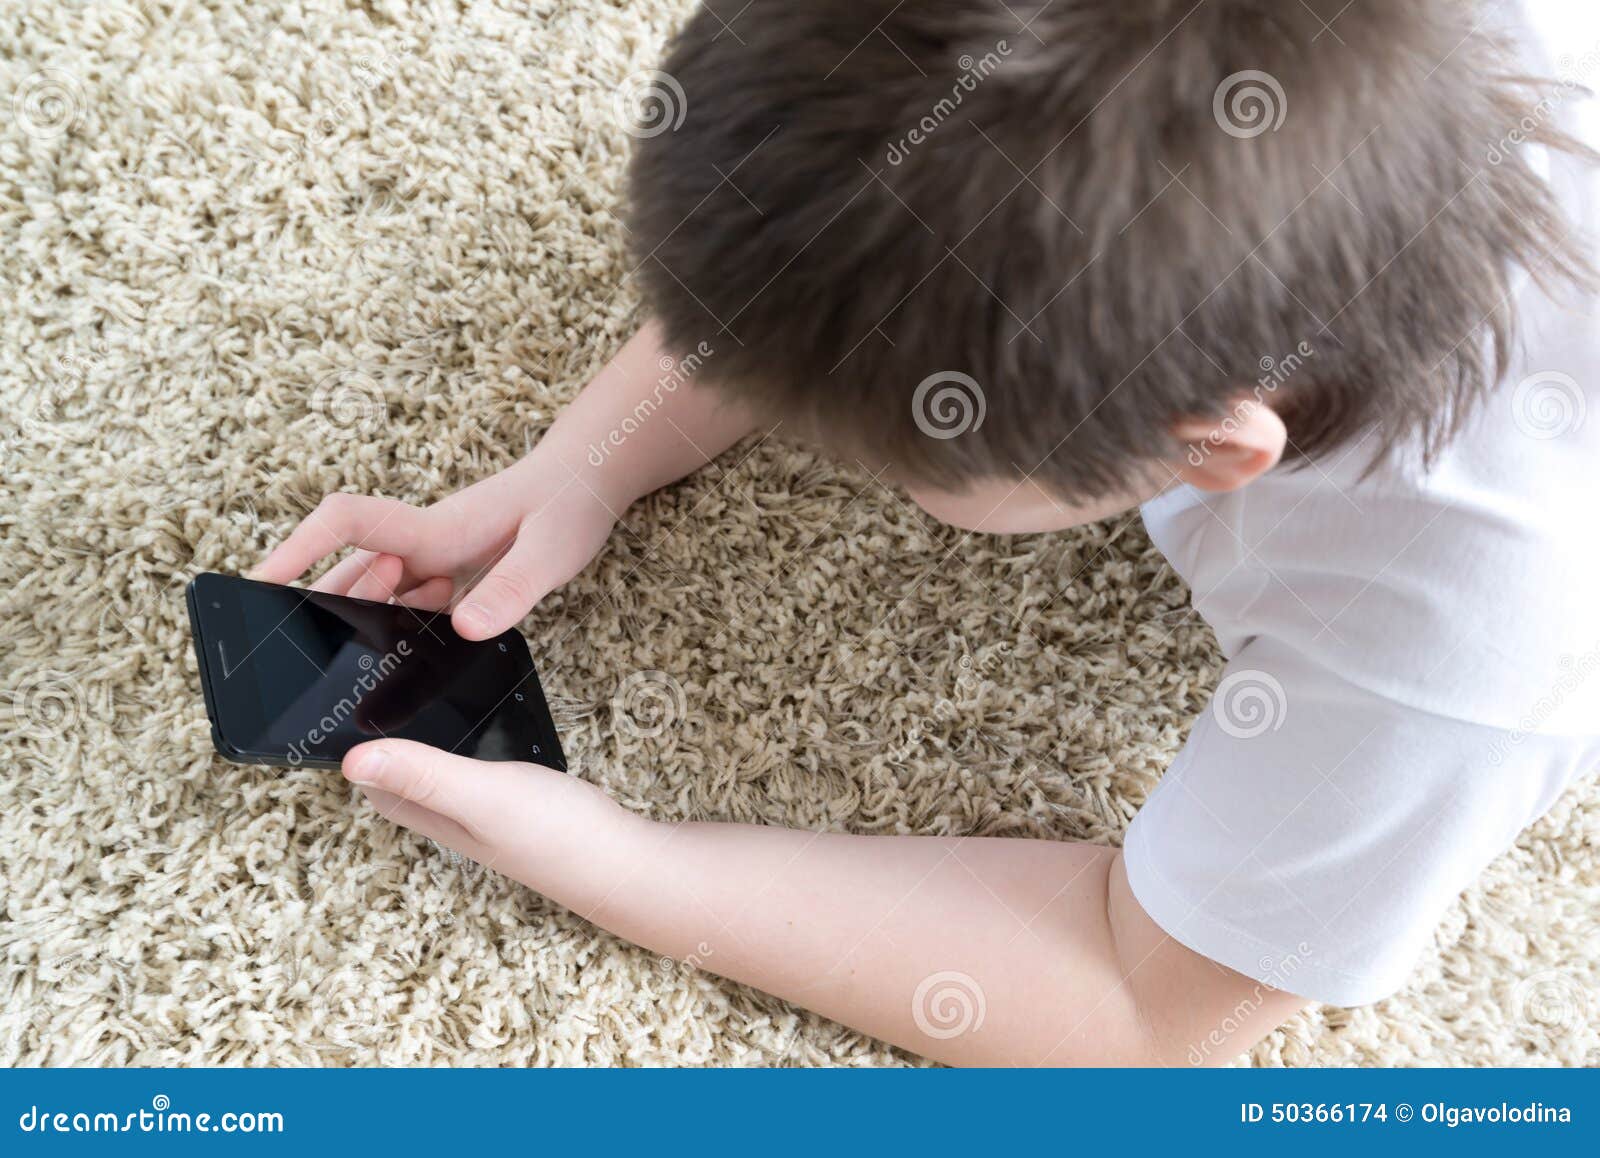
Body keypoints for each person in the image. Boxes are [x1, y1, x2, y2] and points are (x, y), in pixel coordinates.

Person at [249, 0, 1599, 1064]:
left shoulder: (1462, 640)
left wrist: (625, 864)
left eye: (881, 450)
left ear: (1206, 448)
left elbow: (1149, 1008)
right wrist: (584, 463)